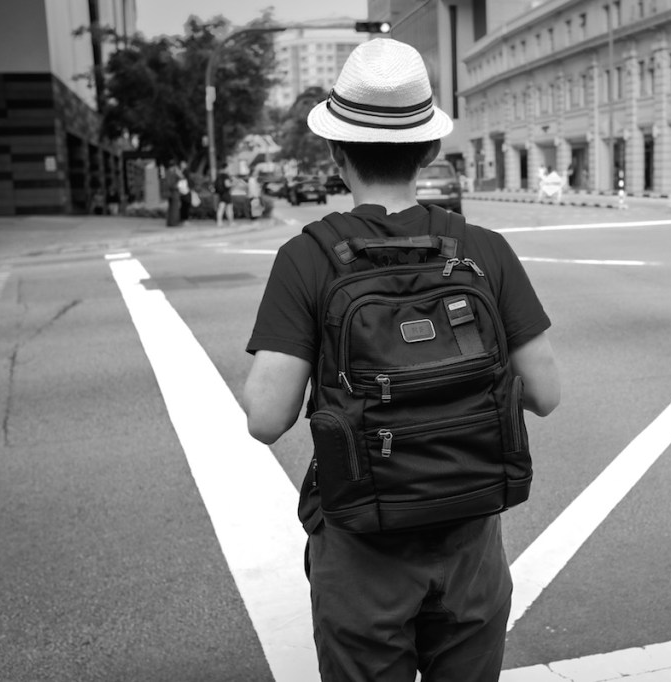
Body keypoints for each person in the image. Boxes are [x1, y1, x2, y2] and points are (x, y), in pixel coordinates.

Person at [242, 38, 560, 682]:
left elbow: (266, 417)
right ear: (431, 148)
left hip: (362, 554)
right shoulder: (483, 249)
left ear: (335, 152)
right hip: (470, 545)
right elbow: (545, 392)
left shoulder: (307, 258)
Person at [163, 162, 183, 227]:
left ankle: (170, 223)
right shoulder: (171, 173)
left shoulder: (167, 173)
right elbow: (181, 178)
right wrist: (178, 172)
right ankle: (174, 223)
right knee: (175, 208)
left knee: (171, 208)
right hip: (173, 192)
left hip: (170, 192)